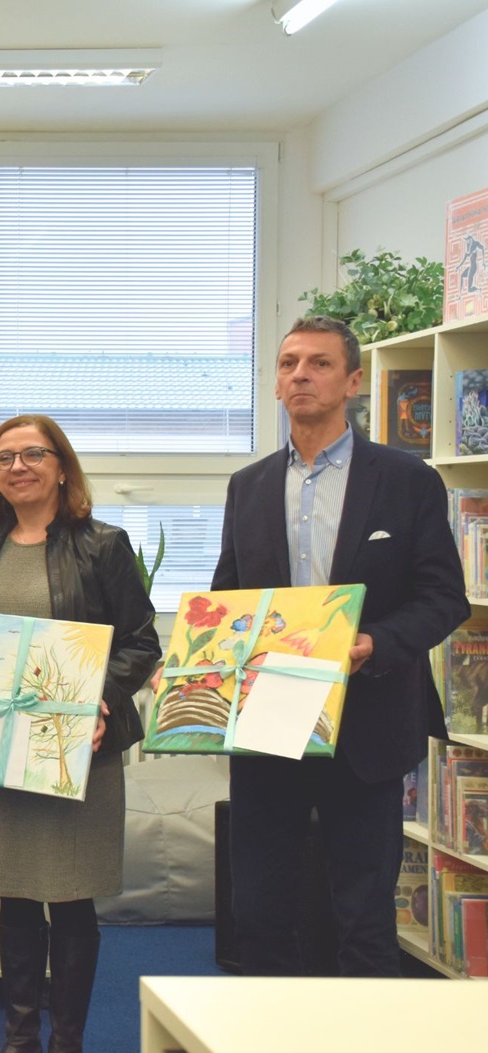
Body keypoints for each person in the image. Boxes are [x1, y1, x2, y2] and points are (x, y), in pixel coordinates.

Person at [212, 315, 470, 977]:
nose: (301, 375)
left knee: (363, 915)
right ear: (275, 384)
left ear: (354, 381)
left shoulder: (407, 480)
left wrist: (373, 642)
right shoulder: (249, 486)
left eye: (320, 363)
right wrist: (199, 663)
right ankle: (266, 1030)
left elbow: (445, 598)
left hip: (368, 723)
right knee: (259, 913)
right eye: (289, 363)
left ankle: (364, 1030)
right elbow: (228, 599)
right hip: (268, 723)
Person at [0, 415, 160, 1053]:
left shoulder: (103, 545)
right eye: (4, 459)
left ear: (61, 467)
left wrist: (98, 699)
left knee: (72, 898)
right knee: (17, 896)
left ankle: (67, 1045)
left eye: (32, 454)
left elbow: (141, 644)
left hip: (75, 751)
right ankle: (20, 1039)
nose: (18, 467)